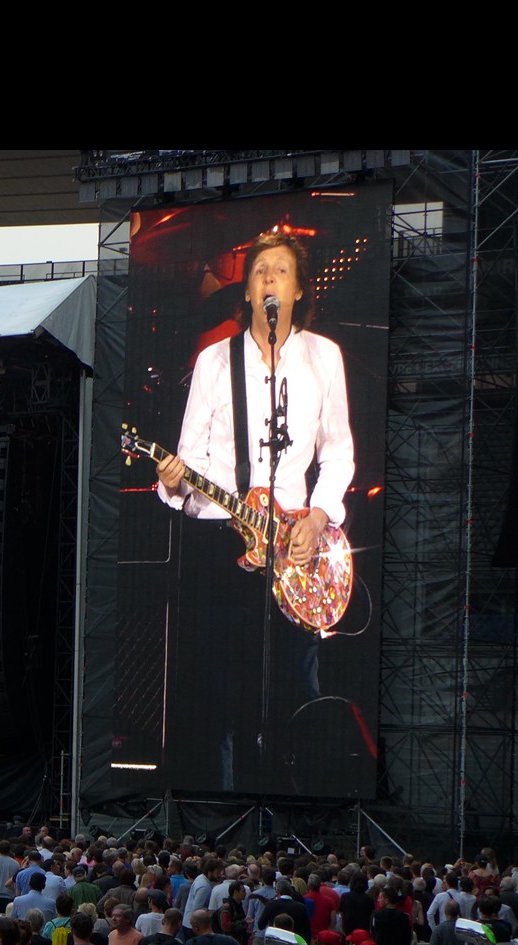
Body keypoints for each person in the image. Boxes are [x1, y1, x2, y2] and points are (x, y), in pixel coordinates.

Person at [155, 231, 354, 791]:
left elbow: (338, 450)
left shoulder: (323, 357)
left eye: (280, 271)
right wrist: (173, 484)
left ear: (297, 290)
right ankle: (219, 814)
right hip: (222, 543)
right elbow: (189, 459)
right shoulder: (215, 361)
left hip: (296, 541)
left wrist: (319, 515)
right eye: (259, 270)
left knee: (295, 686)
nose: (268, 277)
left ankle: (292, 807)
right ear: (246, 292)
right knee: (218, 691)